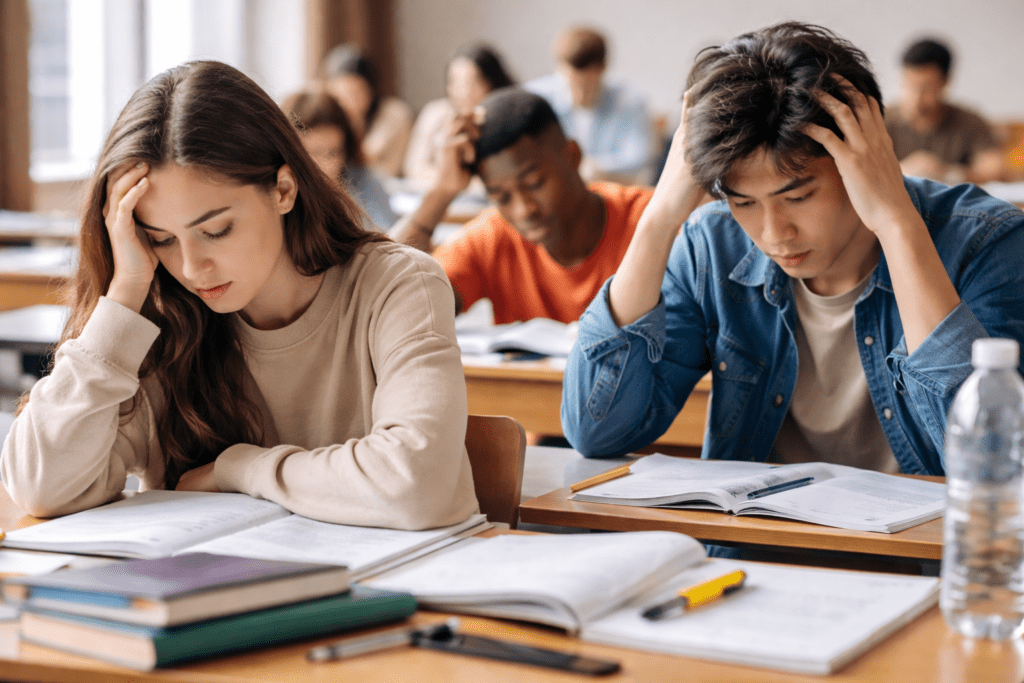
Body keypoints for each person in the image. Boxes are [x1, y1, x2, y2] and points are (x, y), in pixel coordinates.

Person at [1, 61, 479, 529]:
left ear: (284, 189)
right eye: (162, 239)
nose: (191, 267)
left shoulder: (397, 285)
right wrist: (124, 294)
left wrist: (241, 469)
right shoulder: (163, 315)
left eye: (216, 229)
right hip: (205, 597)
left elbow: (417, 486)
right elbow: (39, 487)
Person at [561, 22, 1024, 477]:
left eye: (798, 196)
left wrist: (897, 224)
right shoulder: (714, 245)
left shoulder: (988, 243)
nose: (774, 232)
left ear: (866, 152)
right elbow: (596, 431)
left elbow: (994, 464)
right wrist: (659, 219)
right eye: (743, 202)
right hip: (753, 551)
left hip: (927, 554)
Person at [391, 87, 653, 325]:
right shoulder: (493, 237)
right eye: (502, 197)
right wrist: (441, 192)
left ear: (573, 156)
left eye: (535, 182)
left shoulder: (650, 220)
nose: (523, 209)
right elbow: (393, 304)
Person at [526, 26, 653, 185]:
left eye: (587, 87)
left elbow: (638, 157)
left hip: (608, 189)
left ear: (603, 69)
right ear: (558, 69)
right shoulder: (534, 99)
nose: (579, 96)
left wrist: (595, 168)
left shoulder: (631, 100)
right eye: (571, 86)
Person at [885, 38, 1004, 185]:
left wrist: (948, 173)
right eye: (908, 85)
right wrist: (902, 170)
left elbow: (995, 168)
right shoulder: (881, 119)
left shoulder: (969, 120)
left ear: (945, 82)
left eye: (926, 87)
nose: (916, 98)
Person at [282, 88, 398, 230]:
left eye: (333, 153)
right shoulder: (277, 193)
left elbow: (390, 238)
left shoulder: (364, 181)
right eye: (311, 153)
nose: (323, 166)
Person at [404, 43, 516, 187]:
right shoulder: (435, 113)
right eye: (454, 82)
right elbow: (414, 167)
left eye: (470, 83)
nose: (462, 92)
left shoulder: (506, 119)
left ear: (491, 83)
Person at [321, 44, 413, 178]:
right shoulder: (324, 116)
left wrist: (354, 121)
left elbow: (374, 165)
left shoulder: (394, 113)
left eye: (356, 92)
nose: (348, 101)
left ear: (371, 90)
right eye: (340, 95)